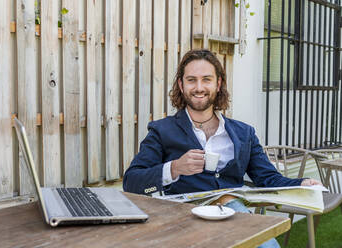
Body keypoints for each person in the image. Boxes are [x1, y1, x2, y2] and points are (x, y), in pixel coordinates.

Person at [123, 49, 321, 248]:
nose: (199, 87)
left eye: (206, 79)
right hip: (180, 218)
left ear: (218, 84)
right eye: (191, 80)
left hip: (231, 211)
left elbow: (268, 178)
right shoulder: (161, 130)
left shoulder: (244, 133)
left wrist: (301, 183)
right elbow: (132, 181)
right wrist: (174, 168)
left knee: (268, 247)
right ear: (181, 86)